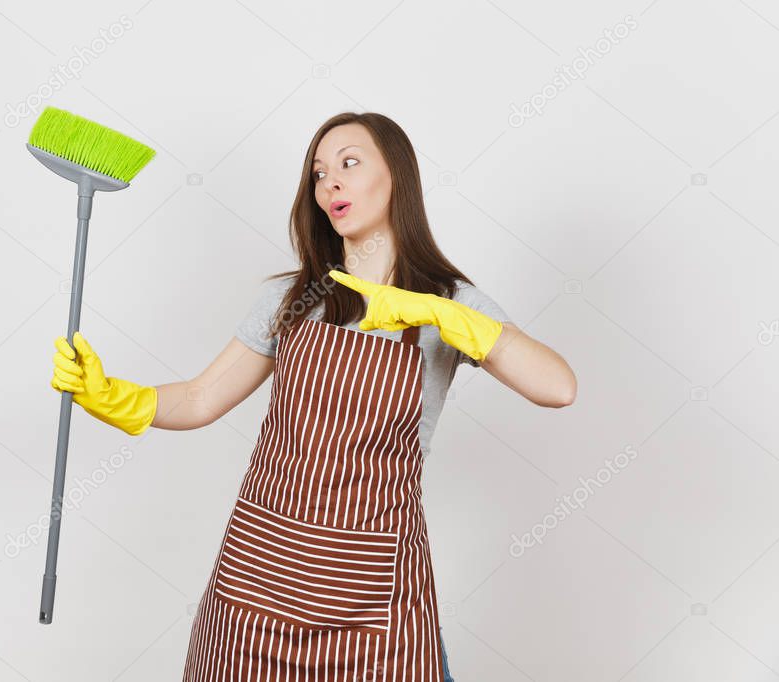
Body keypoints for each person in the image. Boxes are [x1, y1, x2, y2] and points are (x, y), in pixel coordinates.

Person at [50, 112, 577, 681]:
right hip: (257, 588)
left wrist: (444, 315)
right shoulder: (293, 298)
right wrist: (112, 397)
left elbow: (558, 387)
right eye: (320, 173)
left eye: (350, 163)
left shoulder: (449, 304)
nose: (331, 183)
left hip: (372, 601)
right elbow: (201, 398)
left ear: (397, 176)